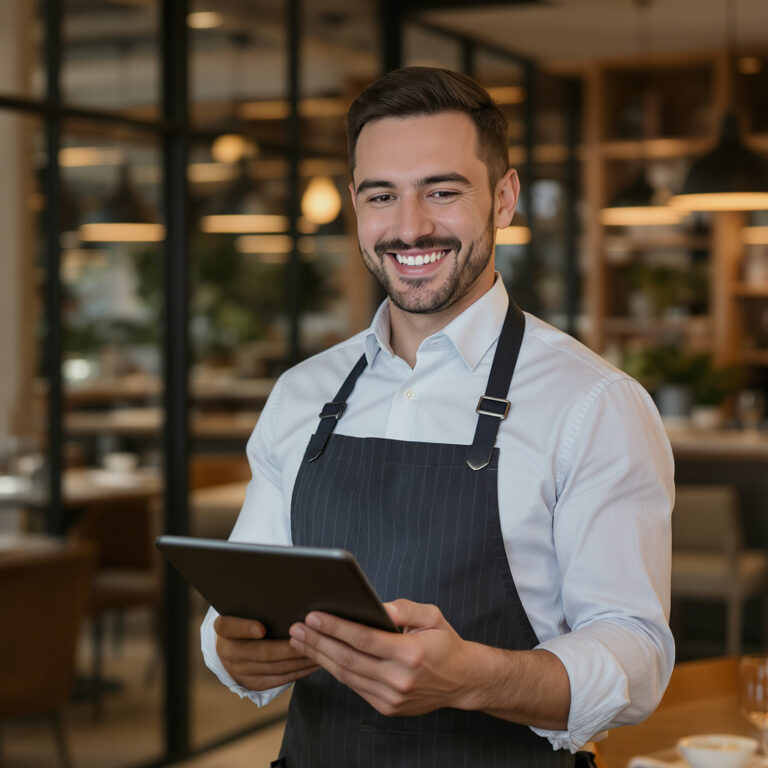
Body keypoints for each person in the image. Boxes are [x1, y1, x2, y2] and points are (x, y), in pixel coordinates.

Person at [201, 66, 674, 767]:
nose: (410, 226)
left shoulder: (594, 403)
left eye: (442, 191)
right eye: (381, 196)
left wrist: (474, 678)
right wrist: (231, 650)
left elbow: (635, 651)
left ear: (504, 199)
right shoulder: (303, 394)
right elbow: (238, 603)